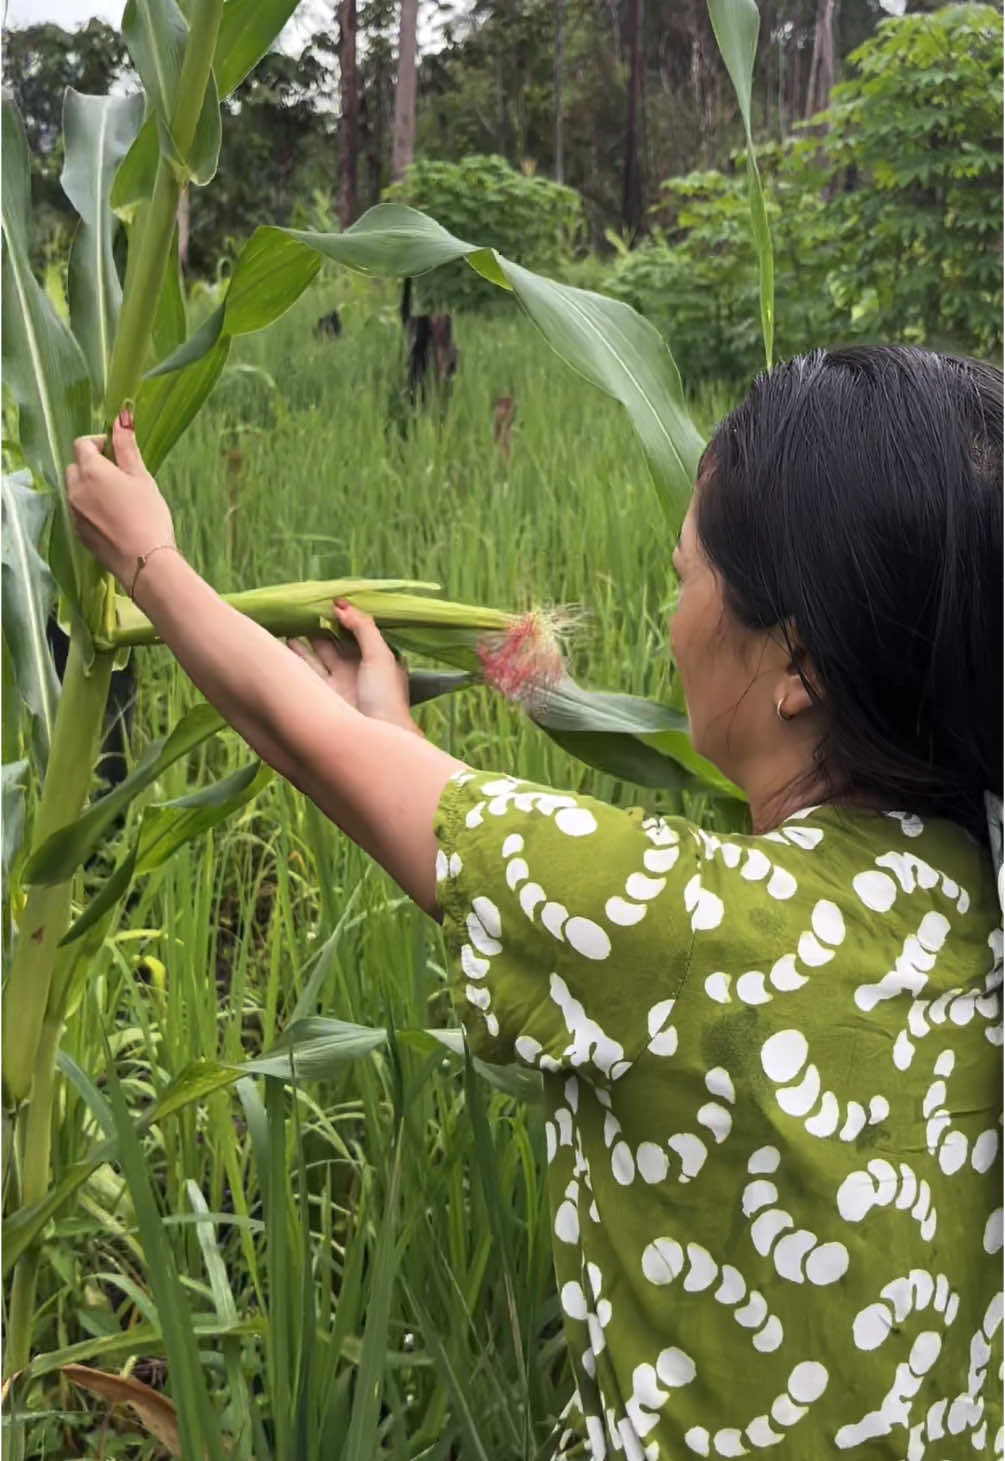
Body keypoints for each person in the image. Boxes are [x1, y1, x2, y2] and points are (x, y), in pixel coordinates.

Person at [67, 346, 1002, 1459]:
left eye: (686, 577)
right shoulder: (966, 889)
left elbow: (304, 739)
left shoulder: (695, 929)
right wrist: (398, 743)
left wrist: (150, 559)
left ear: (796, 662)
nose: (672, 618)